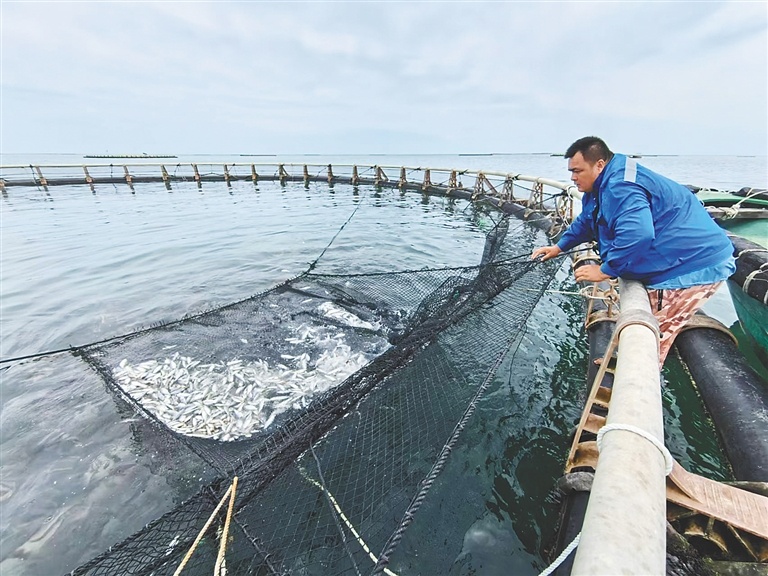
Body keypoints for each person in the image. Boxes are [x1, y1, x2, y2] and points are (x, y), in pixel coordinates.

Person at [531, 136, 735, 368]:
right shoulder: (600, 184)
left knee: (650, 333)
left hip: (693, 262)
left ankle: (634, 387)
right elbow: (587, 221)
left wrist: (605, 270)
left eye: (578, 171)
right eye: (570, 172)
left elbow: (639, 234)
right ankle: (621, 367)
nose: (573, 178)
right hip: (673, 255)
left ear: (599, 164)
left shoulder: (621, 186)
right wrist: (558, 247)